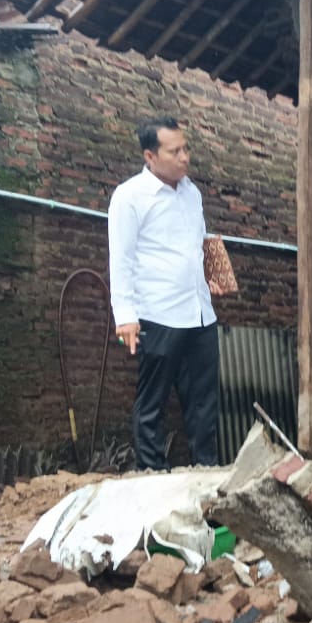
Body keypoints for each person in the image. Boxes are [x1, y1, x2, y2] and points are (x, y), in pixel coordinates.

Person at [108, 116, 220, 469]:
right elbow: (121, 258)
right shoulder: (130, 197)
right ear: (150, 156)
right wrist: (125, 316)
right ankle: (152, 475)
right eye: (175, 152)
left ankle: (206, 473)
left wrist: (213, 276)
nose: (185, 157)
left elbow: (198, 244)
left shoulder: (192, 193)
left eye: (186, 149)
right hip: (157, 315)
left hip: (200, 313)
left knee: (204, 403)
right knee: (153, 403)